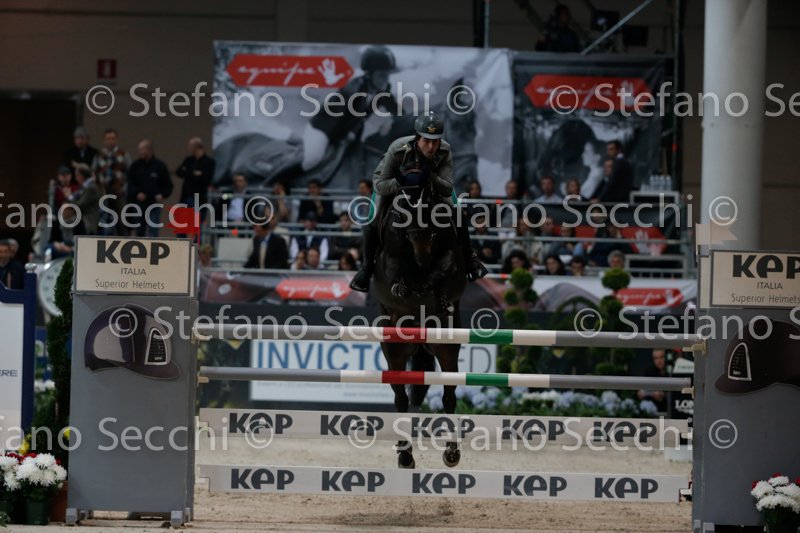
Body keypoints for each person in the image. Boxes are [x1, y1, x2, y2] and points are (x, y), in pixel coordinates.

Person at [348, 112, 487, 292]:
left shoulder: (445, 150)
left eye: (435, 141)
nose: (431, 147)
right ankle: (366, 269)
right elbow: (381, 185)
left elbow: (446, 187)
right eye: (426, 141)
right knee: (373, 217)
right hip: (392, 183)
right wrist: (403, 182)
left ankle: (470, 260)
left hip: (430, 183)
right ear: (417, 137)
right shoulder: (397, 149)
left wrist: (431, 178)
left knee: (457, 210)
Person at [126, 140, 173, 237]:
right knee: (139, 231)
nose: (140, 152)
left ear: (149, 150)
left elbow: (168, 185)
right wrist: (136, 193)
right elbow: (130, 184)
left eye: (142, 149)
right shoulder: (135, 166)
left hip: (154, 204)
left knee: (153, 230)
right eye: (139, 150)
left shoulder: (159, 166)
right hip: (139, 204)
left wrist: (162, 194)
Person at [93, 128, 131, 235]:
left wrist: (124, 189)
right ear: (104, 140)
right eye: (108, 139)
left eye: (112, 138)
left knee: (120, 219)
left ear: (117, 140)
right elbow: (94, 173)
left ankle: (123, 239)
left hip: (119, 193)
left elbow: (130, 174)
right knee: (103, 219)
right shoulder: (99, 155)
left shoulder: (124, 155)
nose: (110, 141)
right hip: (103, 193)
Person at [175, 137, 215, 213]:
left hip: (200, 197)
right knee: (184, 218)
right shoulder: (188, 160)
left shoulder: (209, 162)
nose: (188, 148)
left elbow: (206, 178)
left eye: (190, 146)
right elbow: (179, 172)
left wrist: (188, 173)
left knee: (197, 218)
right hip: (186, 195)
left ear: (196, 147)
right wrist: (193, 173)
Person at [67, 165, 103, 235]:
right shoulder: (85, 187)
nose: (76, 178)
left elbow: (78, 206)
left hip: (88, 223)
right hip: (83, 222)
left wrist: (69, 196)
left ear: (81, 176)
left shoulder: (90, 188)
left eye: (77, 175)